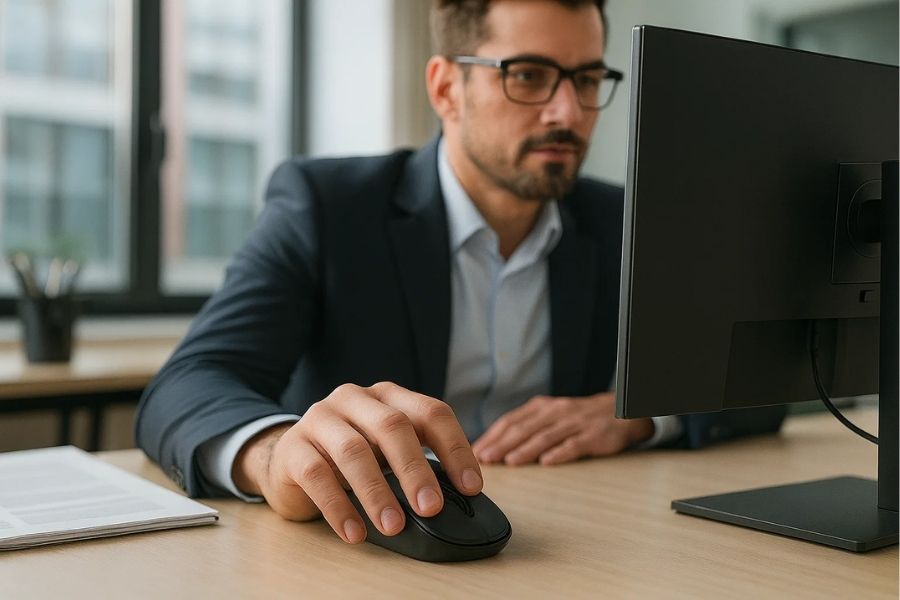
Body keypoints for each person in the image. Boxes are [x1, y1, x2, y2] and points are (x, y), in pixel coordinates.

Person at [136, 0, 785, 545]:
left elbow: (760, 379)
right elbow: (187, 383)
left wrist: (639, 418)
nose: (567, 112)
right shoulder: (328, 206)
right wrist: (277, 453)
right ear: (447, 88)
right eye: (529, 76)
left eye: (587, 80)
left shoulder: (623, 219)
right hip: (361, 553)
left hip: (571, 543)